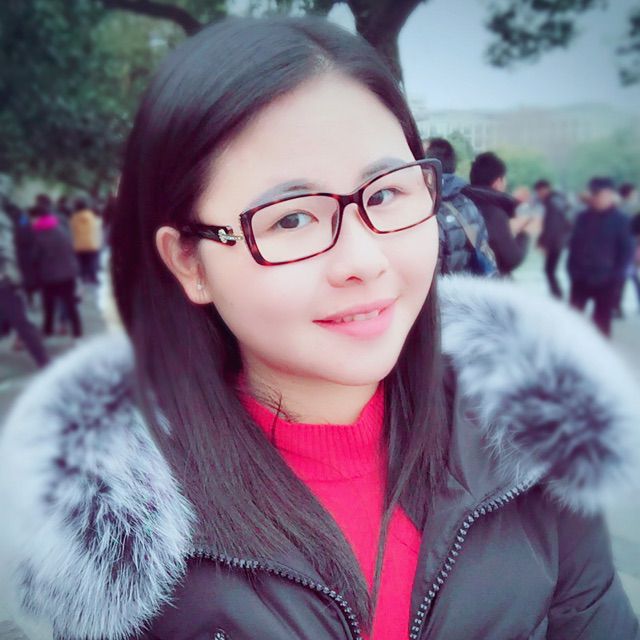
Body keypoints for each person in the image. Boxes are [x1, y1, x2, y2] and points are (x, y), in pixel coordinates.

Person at [0, 17, 638, 640]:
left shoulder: (533, 443)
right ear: (190, 263)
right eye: (291, 219)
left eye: (385, 194)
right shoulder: (107, 550)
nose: (364, 260)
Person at [568, 177, 633, 336]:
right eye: (594, 194)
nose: (596, 198)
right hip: (580, 279)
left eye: (600, 194)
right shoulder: (582, 218)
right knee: (572, 323)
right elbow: (574, 246)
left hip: (606, 281)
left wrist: (615, 278)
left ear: (610, 195)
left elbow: (626, 252)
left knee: (602, 325)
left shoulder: (622, 220)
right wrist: (573, 271)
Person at [424, 137, 496, 276]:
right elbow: (482, 248)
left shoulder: (422, 208)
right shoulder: (469, 206)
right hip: (464, 285)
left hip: (437, 287)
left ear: (428, 165)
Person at [464, 152, 532, 276]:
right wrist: (525, 233)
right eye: (504, 180)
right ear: (497, 182)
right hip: (488, 281)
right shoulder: (494, 213)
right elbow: (511, 259)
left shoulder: (463, 204)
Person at [0, 204, 49, 367]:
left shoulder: (9, 221)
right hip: (12, 277)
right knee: (20, 321)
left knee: (21, 322)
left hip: (6, 281)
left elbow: (7, 250)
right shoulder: (15, 219)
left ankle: (44, 361)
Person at [31, 202, 83, 338]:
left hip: (49, 276)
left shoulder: (39, 235)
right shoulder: (61, 230)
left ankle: (48, 329)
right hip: (68, 273)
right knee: (70, 303)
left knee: (49, 305)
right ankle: (77, 330)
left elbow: (35, 257)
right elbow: (71, 248)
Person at [534, 179, 571, 299]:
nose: (539, 195)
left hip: (555, 242)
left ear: (545, 189)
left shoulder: (552, 202)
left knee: (549, 270)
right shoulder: (557, 200)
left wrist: (545, 244)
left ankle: (557, 295)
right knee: (550, 270)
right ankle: (556, 294)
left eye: (539, 192)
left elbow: (552, 226)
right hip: (560, 240)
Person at [70, 198, 103, 284]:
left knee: (82, 262)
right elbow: (96, 228)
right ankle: (93, 277)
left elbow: (72, 230)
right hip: (92, 244)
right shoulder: (91, 216)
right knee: (92, 261)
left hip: (78, 245)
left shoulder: (74, 218)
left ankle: (84, 277)